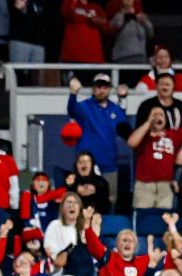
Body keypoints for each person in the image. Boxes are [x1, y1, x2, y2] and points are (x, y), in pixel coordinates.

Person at [67, 74, 131, 203]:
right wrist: (73, 93)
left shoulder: (115, 109)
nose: (102, 90)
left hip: (109, 163)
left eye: (105, 87)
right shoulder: (84, 106)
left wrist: (123, 98)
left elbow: (123, 121)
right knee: (82, 200)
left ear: (109, 89)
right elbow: (71, 110)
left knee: (109, 200)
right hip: (86, 166)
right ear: (93, 89)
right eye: (98, 86)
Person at [127, 106, 182, 211]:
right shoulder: (144, 135)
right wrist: (148, 123)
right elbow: (131, 142)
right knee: (142, 219)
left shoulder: (173, 135)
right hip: (144, 186)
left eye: (161, 114)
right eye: (154, 114)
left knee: (164, 220)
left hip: (166, 186)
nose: (158, 117)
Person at [109, 0, 154, 65]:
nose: (128, 2)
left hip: (140, 56)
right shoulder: (118, 16)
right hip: (121, 57)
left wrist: (144, 21)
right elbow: (111, 30)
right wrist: (124, 15)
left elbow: (151, 34)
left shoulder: (141, 16)